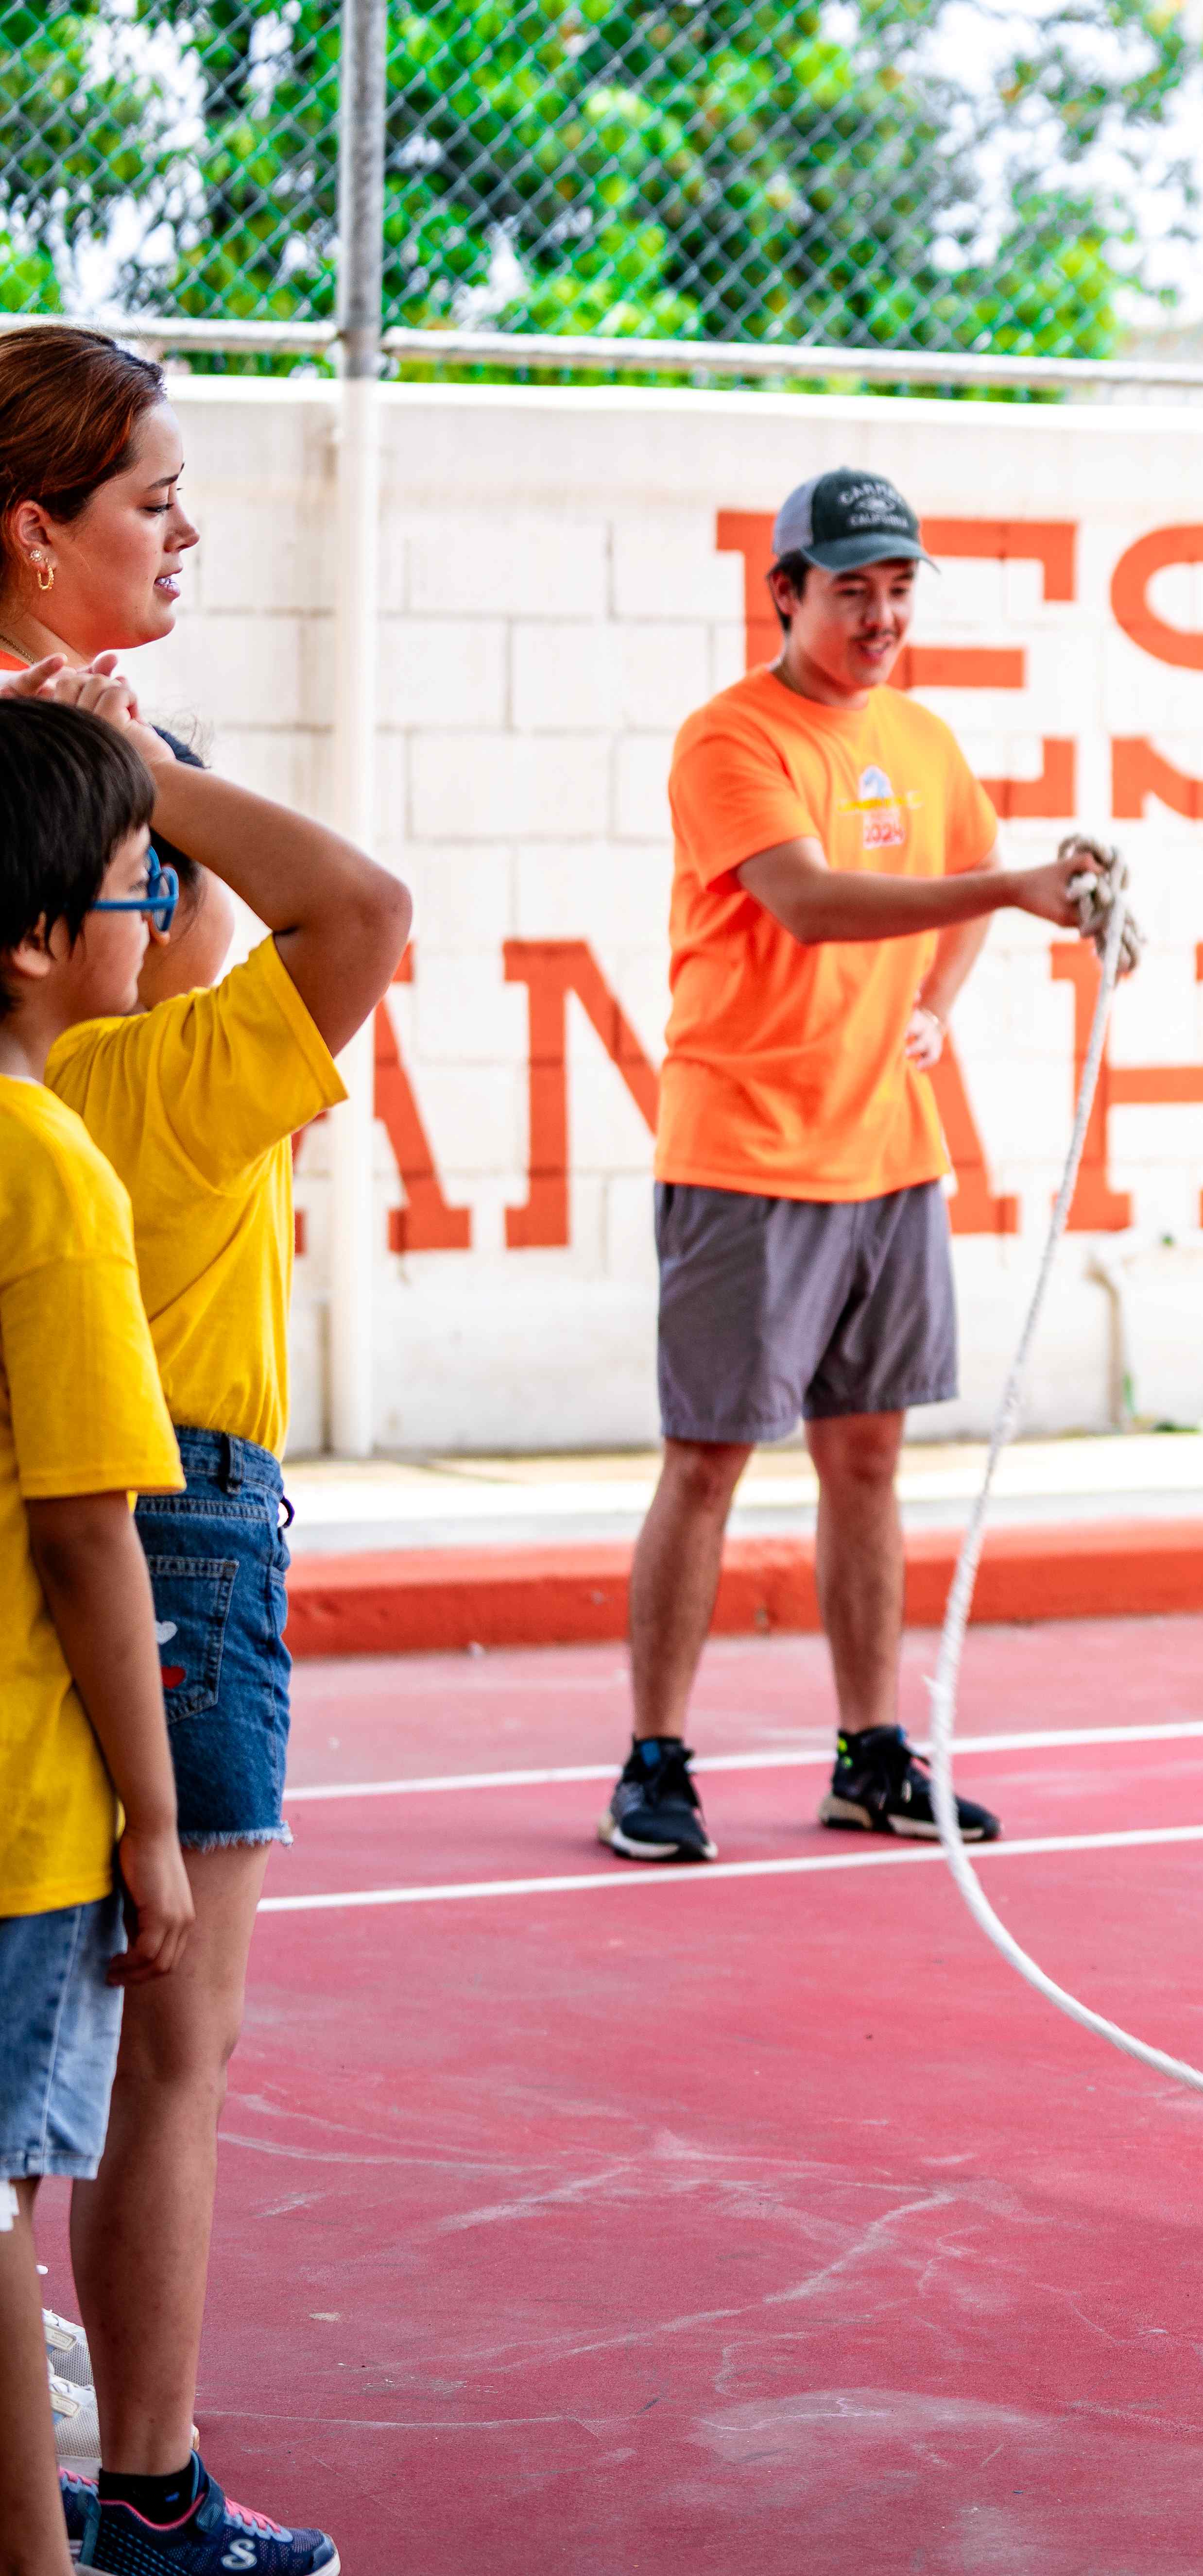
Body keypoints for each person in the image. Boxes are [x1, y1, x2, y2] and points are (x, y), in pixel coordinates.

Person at [0, 325, 361, 2576]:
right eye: (148, 496)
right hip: (171, 1522)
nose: (187, 529)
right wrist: (140, 767)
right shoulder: (136, 1104)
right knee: (166, 2046)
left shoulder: (71, 1087)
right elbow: (347, 912)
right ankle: (131, 2489)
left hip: (127, 1529)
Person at [606, 466, 1106, 1866]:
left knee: (869, 1460)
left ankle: (869, 1752)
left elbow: (968, 869)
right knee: (707, 1462)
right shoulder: (732, 741)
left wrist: (940, 997)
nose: (881, 617)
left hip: (889, 1153)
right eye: (852, 590)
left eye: (898, 590)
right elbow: (813, 903)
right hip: (748, 1146)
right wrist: (1007, 894)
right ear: (787, 593)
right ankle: (654, 1761)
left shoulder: (924, 739)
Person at [0, 697, 206, 2576]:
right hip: (19, 1817)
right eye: (136, 878)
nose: (158, 905)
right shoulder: (50, 1170)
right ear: (36, 937)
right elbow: (85, 1526)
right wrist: (153, 1820)